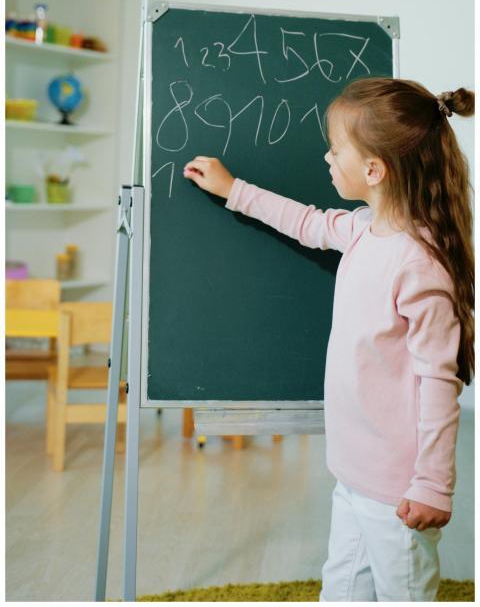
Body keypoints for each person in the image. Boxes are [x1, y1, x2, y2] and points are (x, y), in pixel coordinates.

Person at [183, 77, 474, 602]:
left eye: (335, 148)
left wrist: (432, 485)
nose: (326, 156)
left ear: (373, 170)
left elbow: (438, 380)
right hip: (355, 471)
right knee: (341, 590)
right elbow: (305, 222)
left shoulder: (417, 262)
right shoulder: (365, 230)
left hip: (397, 491)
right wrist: (233, 190)